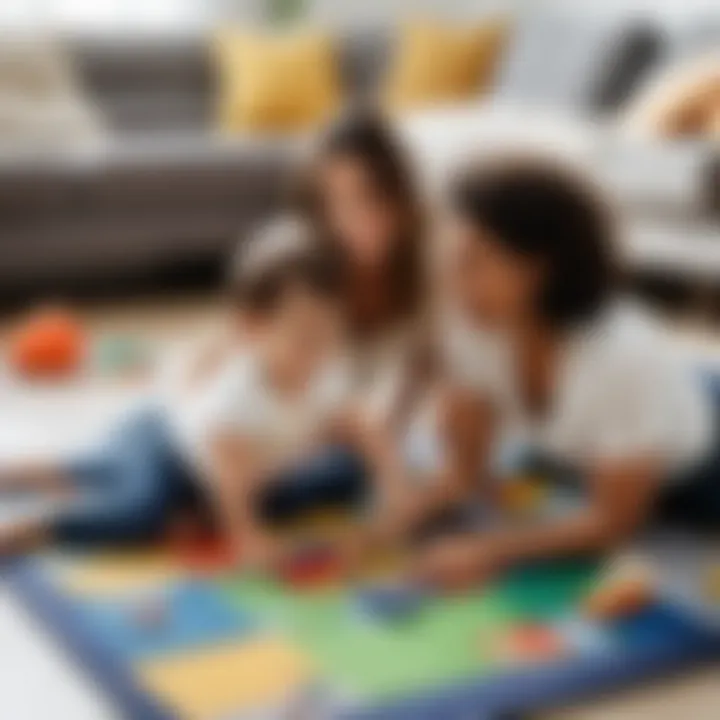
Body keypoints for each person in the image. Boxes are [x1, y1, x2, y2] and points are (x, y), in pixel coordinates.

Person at [412, 155, 719, 589]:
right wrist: (390, 520)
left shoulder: (622, 355)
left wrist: (489, 550)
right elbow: (463, 475)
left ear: (539, 267)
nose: (451, 280)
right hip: (589, 448)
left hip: (700, 466)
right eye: (448, 259)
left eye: (473, 262)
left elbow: (614, 524)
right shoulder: (471, 325)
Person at [0, 217, 383, 564]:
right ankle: (36, 524)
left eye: (329, 334)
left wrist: (394, 489)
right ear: (254, 330)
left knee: (345, 474)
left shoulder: (329, 371)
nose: (318, 351)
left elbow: (365, 430)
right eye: (303, 337)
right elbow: (230, 483)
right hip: (164, 445)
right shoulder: (237, 395)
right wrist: (248, 537)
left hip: (240, 470)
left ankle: (60, 473)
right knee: (137, 510)